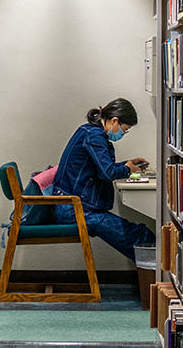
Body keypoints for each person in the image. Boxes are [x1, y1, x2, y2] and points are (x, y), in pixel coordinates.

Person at [46, 97, 157, 262]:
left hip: (72, 205)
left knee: (139, 234)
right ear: (114, 121)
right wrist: (127, 169)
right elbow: (107, 173)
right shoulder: (95, 136)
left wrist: (127, 165)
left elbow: (100, 168)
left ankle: (152, 276)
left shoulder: (88, 131)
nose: (123, 134)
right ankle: (155, 276)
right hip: (75, 209)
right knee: (141, 236)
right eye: (124, 130)